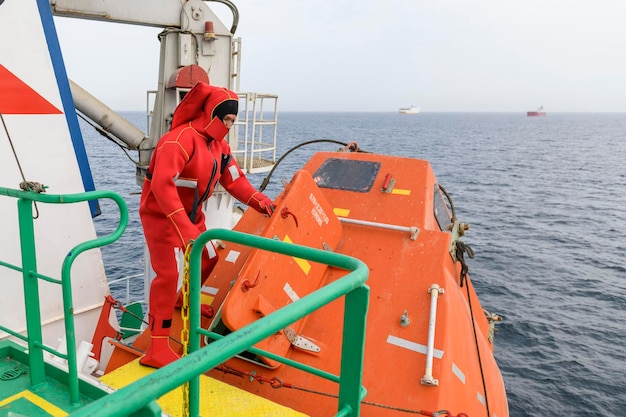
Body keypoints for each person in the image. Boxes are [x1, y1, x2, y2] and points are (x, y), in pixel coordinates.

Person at [138, 82, 274, 368]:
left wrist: (259, 200)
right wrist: (184, 229)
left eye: (233, 121)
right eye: (226, 119)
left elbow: (233, 178)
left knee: (209, 258)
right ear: (212, 112)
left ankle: (183, 298)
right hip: (161, 216)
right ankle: (157, 347)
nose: (229, 125)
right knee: (166, 274)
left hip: (191, 215)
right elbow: (162, 186)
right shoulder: (179, 140)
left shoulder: (218, 146)